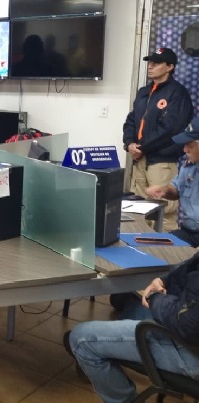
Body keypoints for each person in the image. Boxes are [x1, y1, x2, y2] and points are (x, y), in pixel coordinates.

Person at [67, 251, 199, 402]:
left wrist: (155, 299)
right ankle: (107, 349)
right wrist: (165, 281)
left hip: (190, 349)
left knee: (81, 340)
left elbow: (187, 325)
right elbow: (193, 264)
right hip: (184, 318)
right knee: (129, 303)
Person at [122, 47, 193, 231]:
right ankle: (138, 256)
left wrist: (141, 147)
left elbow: (170, 129)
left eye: (156, 63)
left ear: (169, 66)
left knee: (164, 214)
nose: (150, 66)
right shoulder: (144, 92)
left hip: (161, 162)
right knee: (136, 211)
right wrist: (129, 144)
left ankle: (167, 258)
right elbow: (131, 120)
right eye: (149, 63)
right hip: (139, 160)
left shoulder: (178, 93)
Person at [146, 117, 199, 247]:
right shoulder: (189, 167)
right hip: (188, 233)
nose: (185, 150)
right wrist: (163, 190)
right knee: (154, 247)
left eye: (189, 145)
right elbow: (176, 190)